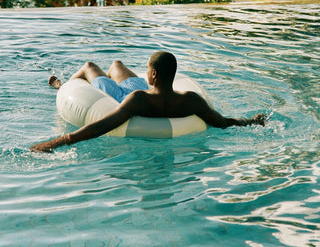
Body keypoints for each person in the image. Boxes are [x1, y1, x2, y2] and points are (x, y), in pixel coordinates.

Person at [30, 51, 266, 152]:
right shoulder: (190, 101)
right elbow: (222, 122)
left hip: (115, 98)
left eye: (148, 69)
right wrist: (252, 122)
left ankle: (62, 87)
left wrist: (59, 141)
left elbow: (102, 125)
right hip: (143, 89)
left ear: (153, 75)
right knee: (117, 65)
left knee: (90, 67)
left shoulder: (138, 100)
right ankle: (66, 85)